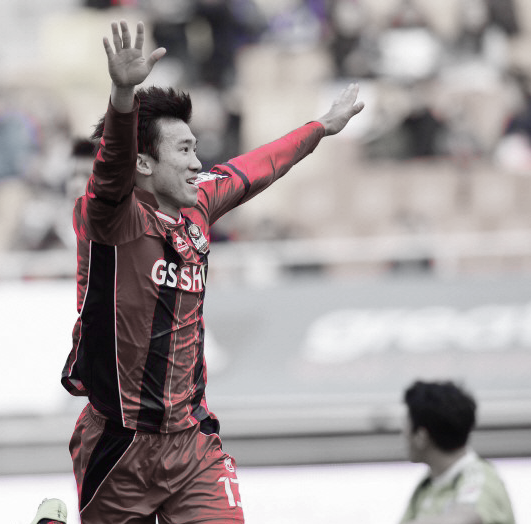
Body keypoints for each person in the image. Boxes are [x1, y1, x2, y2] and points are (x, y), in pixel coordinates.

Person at [60, 19, 364, 524]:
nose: (197, 163)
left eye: (195, 148)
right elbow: (111, 165)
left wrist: (321, 128)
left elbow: (260, 165)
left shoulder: (199, 202)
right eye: (183, 150)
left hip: (191, 444)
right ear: (144, 164)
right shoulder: (110, 218)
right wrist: (122, 96)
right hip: (117, 446)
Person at [399, 380, 515, 524]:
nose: (402, 434)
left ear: (421, 437)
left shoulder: (479, 478)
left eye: (405, 427)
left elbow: (462, 519)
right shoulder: (426, 486)